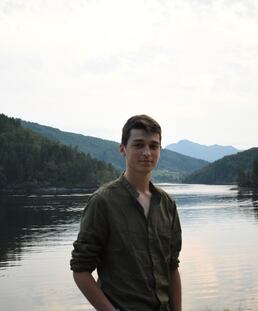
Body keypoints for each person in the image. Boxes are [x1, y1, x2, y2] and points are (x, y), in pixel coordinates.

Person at [70, 114, 182, 311]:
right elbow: (81, 270)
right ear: (123, 149)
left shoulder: (167, 205)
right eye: (138, 145)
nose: (147, 152)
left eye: (153, 146)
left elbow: (172, 267)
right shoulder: (103, 202)